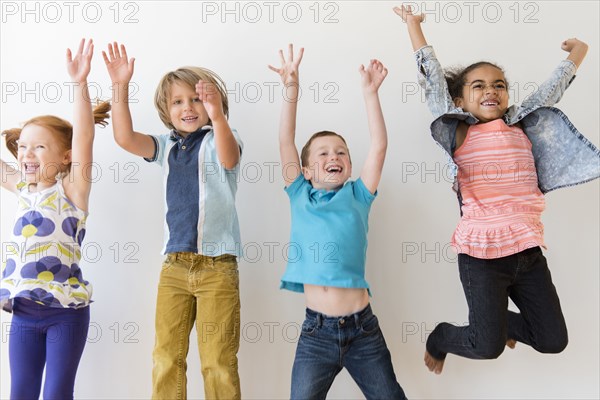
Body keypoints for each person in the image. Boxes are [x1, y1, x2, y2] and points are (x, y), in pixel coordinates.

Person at [395, 4, 600, 374]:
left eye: (499, 85)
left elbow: (550, 92)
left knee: (553, 339)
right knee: (488, 347)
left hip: (527, 251)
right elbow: (433, 82)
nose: (491, 91)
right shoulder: (460, 131)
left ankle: (494, 320)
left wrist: (579, 53)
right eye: (479, 86)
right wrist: (414, 28)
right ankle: (443, 336)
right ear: (460, 101)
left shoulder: (520, 124)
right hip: (482, 255)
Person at [103, 42, 243, 399]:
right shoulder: (165, 146)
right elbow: (124, 138)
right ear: (167, 110)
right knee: (166, 357)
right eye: (178, 101)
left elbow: (228, 160)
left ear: (212, 104)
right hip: (174, 268)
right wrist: (120, 86)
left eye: (196, 99)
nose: (188, 108)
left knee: (218, 362)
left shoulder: (219, 139)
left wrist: (219, 116)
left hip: (217, 267)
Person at [269, 44, 407, 399]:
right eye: (324, 153)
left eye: (341, 152)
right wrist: (291, 90)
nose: (335, 156)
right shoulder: (299, 194)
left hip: (364, 331)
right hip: (316, 333)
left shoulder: (358, 195)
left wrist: (370, 94)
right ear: (304, 170)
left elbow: (378, 145)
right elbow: (286, 138)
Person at [0, 39, 110, 399]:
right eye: (22, 146)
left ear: (65, 157)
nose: (26, 153)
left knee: (57, 393)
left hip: (65, 313)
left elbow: (85, 136)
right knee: (21, 392)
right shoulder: (22, 187)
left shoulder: (72, 191)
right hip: (23, 315)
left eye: (39, 146)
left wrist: (79, 83)